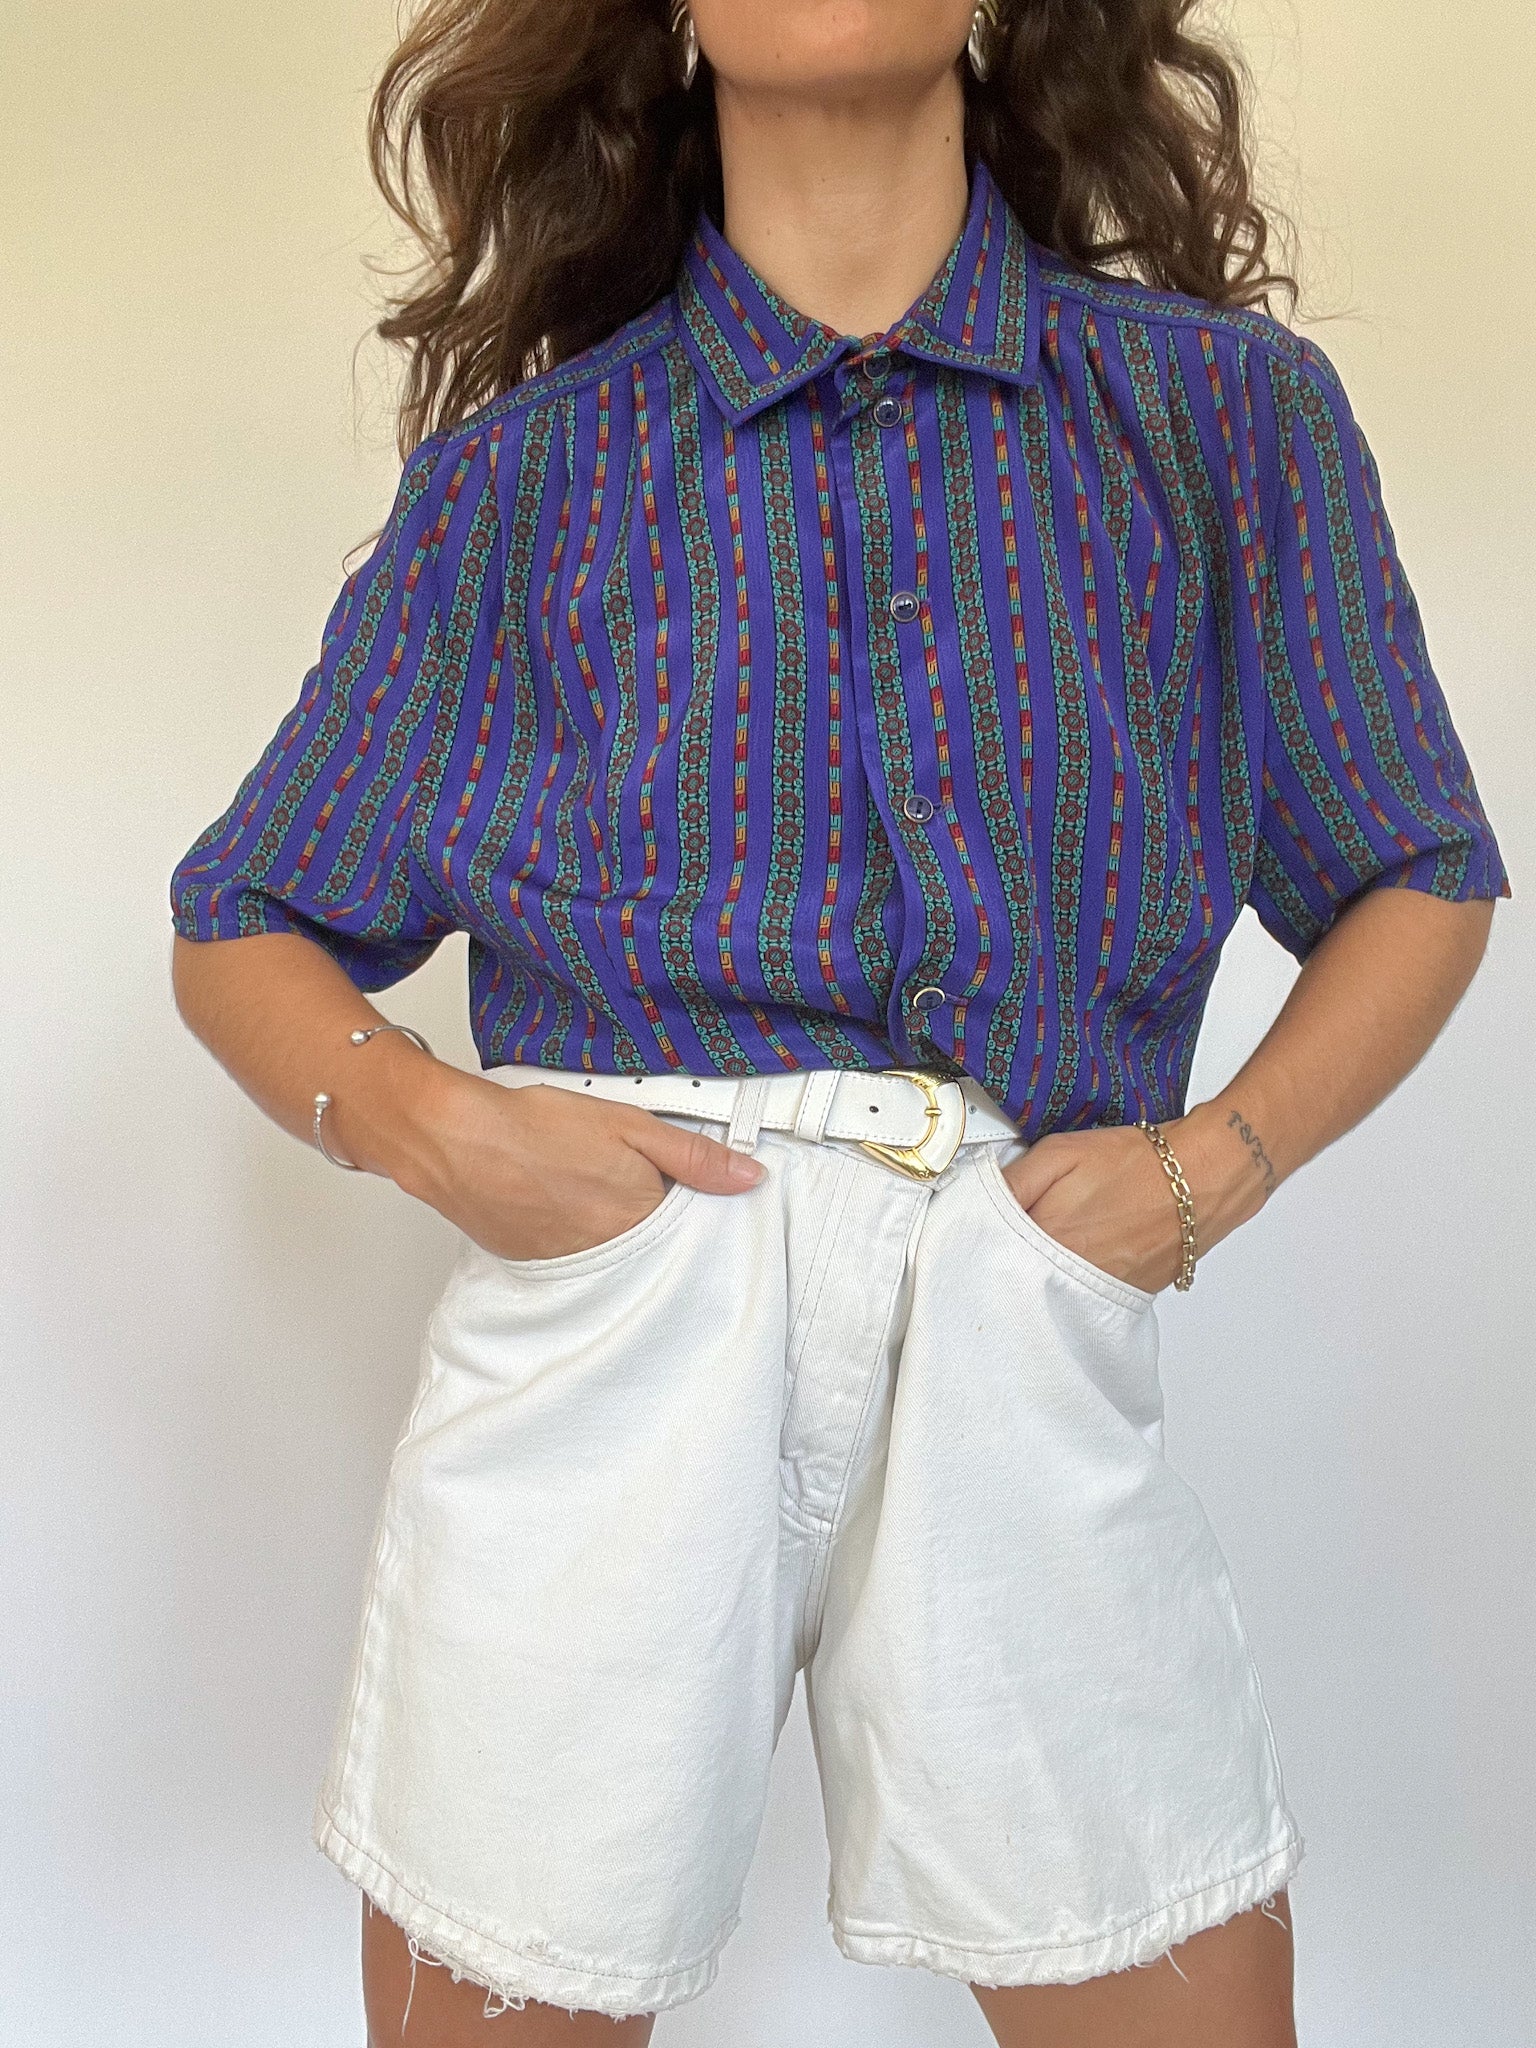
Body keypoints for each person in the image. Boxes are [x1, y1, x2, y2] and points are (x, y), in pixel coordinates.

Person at [167, 3, 1508, 2043]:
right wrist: (448, 1134)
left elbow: (1418, 862)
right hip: (627, 1308)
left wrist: (1208, 1167)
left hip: (1013, 1285)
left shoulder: (1220, 419)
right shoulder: (525, 479)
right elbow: (244, 914)